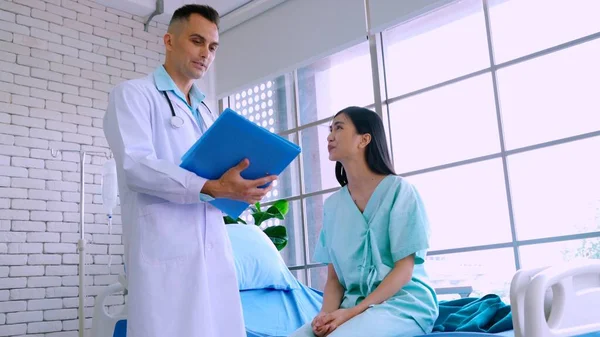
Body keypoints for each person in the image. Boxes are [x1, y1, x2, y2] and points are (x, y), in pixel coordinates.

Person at [103, 4, 277, 337]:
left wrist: (240, 188)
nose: (206, 54)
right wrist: (212, 186)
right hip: (164, 254)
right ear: (169, 40)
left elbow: (218, 182)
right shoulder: (134, 95)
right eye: (197, 41)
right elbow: (136, 166)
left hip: (212, 250)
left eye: (212, 47)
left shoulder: (208, 114)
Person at [290, 107, 438, 337]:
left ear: (364, 139)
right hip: (350, 307)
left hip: (402, 304)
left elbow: (404, 269)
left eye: (339, 127)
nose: (330, 136)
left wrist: (353, 312)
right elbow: (334, 280)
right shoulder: (332, 206)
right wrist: (325, 318)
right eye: (330, 129)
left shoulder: (399, 191)